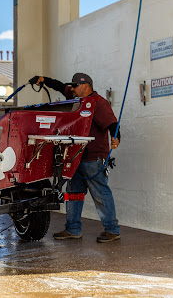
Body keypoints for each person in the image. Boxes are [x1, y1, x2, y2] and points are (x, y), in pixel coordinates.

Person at [29, 73, 121, 243]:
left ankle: (112, 230)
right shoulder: (75, 97)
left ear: (85, 86)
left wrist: (116, 138)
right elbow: (59, 85)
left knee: (100, 193)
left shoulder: (99, 103)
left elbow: (112, 123)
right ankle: (73, 229)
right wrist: (44, 80)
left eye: (75, 86)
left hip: (93, 157)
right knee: (73, 193)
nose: (71, 89)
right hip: (74, 156)